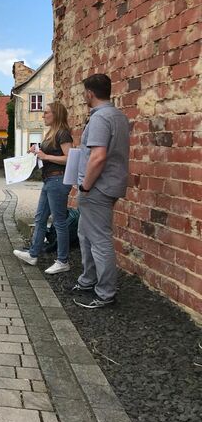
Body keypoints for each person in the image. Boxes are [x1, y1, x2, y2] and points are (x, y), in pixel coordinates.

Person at [73, 74, 130, 309]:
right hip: (108, 184)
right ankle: (88, 280)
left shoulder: (100, 118)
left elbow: (98, 156)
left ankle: (105, 293)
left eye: (84, 93)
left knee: (99, 239)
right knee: (85, 234)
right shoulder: (118, 116)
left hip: (97, 187)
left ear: (90, 93)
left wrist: (85, 185)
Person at [13, 102, 73, 274]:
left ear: (56, 114)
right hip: (49, 181)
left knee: (59, 222)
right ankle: (33, 254)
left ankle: (63, 261)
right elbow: (49, 154)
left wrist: (45, 155)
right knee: (40, 218)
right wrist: (37, 150)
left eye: (46, 112)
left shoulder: (63, 133)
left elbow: (69, 158)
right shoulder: (51, 133)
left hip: (58, 180)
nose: (43, 115)